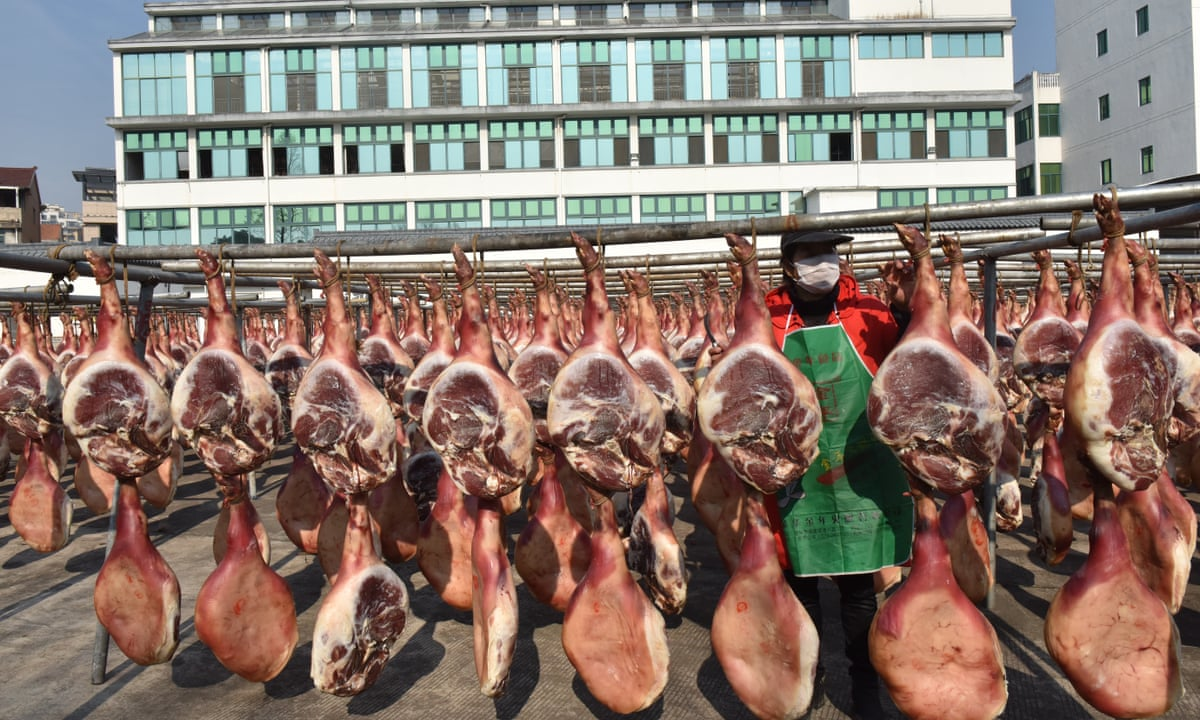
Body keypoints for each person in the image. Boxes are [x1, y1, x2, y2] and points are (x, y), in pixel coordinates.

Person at [762, 229, 916, 720]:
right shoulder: (765, 320)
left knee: (857, 587)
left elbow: (908, 362)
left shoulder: (868, 311)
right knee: (799, 583)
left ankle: (864, 689)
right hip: (792, 470)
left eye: (830, 252)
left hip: (860, 466)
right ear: (789, 265)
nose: (825, 262)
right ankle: (807, 678)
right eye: (811, 255)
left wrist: (907, 310)